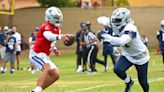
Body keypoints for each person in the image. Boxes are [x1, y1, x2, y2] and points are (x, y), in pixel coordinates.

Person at [101, 8, 150, 92]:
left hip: (140, 56)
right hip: (127, 54)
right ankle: (129, 82)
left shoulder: (131, 28)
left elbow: (121, 41)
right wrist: (106, 22)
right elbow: (101, 19)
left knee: (143, 81)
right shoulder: (114, 23)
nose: (114, 21)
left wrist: (105, 36)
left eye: (117, 19)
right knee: (118, 69)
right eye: (114, 19)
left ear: (126, 20)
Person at [29, 6, 71, 92]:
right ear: (49, 17)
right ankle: (37, 90)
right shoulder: (45, 26)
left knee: (56, 75)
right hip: (36, 54)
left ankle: (35, 90)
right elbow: (49, 37)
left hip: (45, 56)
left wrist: (54, 49)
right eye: (56, 17)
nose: (58, 19)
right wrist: (60, 36)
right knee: (46, 67)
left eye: (58, 17)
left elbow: (51, 42)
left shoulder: (58, 29)